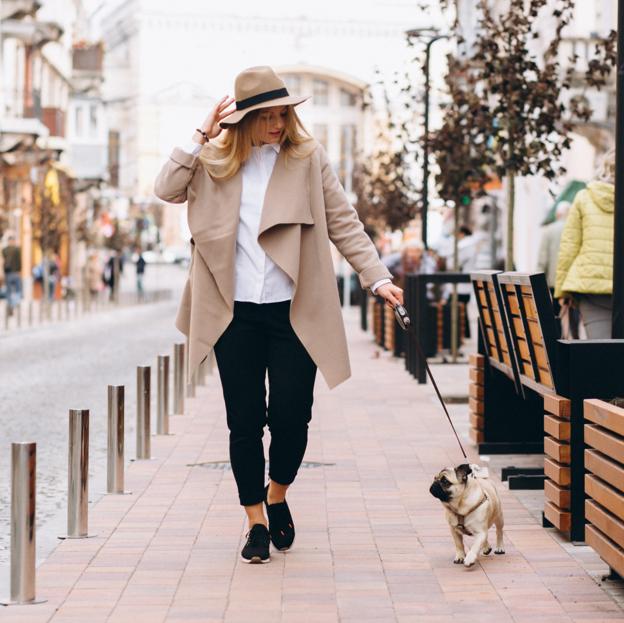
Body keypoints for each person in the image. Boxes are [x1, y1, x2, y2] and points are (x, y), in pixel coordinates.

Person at [154, 66, 402, 564]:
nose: (275, 123)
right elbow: (167, 188)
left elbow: (342, 222)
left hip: (293, 310)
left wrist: (378, 278)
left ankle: (278, 492)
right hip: (232, 311)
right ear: (242, 120)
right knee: (244, 422)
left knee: (292, 416)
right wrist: (203, 132)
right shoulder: (213, 160)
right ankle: (254, 522)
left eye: (282, 113)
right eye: (265, 115)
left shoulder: (307, 158)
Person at [555, 149, 615, 339]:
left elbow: (570, 245)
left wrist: (562, 291)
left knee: (601, 352)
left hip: (592, 288)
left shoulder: (584, 197)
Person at [2, 234, 22, 315]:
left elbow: (3, 260)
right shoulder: (17, 250)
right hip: (16, 273)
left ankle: (10, 304)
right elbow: (20, 262)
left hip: (8, 273)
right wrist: (19, 270)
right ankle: (15, 303)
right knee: (18, 290)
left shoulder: (4, 250)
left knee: (9, 291)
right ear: (13, 241)